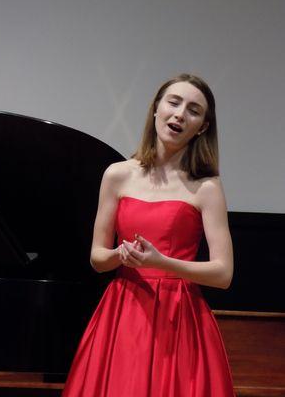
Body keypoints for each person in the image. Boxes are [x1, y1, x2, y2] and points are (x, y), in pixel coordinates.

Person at [62, 73, 235, 396]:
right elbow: (98, 258)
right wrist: (119, 255)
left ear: (203, 127)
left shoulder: (207, 187)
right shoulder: (117, 175)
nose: (180, 114)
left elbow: (223, 273)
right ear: (156, 109)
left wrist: (162, 262)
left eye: (194, 110)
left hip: (179, 316)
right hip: (124, 313)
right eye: (173, 102)